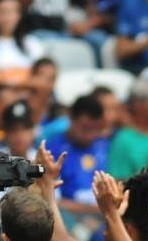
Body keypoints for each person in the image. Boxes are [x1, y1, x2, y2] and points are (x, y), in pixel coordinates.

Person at [46, 94, 109, 228]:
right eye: (85, 128)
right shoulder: (53, 150)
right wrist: (92, 210)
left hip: (102, 216)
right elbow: (50, 198)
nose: (90, 135)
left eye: (96, 129)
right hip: (68, 218)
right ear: (71, 118)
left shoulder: (105, 146)